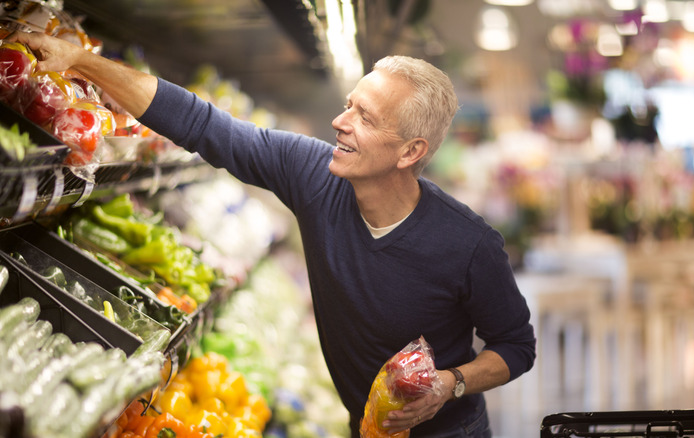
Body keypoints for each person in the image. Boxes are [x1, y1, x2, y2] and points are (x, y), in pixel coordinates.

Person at [12, 31, 536, 437]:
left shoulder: (468, 243)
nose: (339, 120)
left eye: (365, 117)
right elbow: (203, 124)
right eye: (348, 103)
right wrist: (80, 60)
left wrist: (450, 383)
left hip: (451, 430)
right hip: (367, 423)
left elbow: (516, 345)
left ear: (410, 153)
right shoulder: (314, 174)